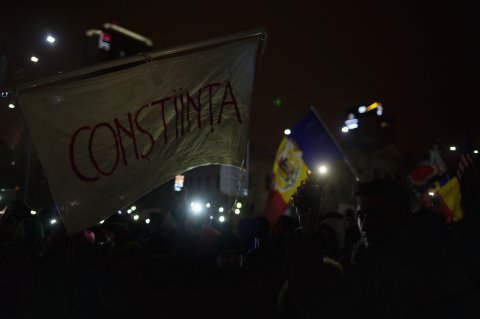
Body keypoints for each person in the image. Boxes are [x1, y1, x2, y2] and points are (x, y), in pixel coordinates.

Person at [289, 173, 475, 318]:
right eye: (361, 216)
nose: (367, 224)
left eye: (378, 215)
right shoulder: (366, 264)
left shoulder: (425, 271)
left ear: (403, 215)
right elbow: (321, 304)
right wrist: (308, 228)